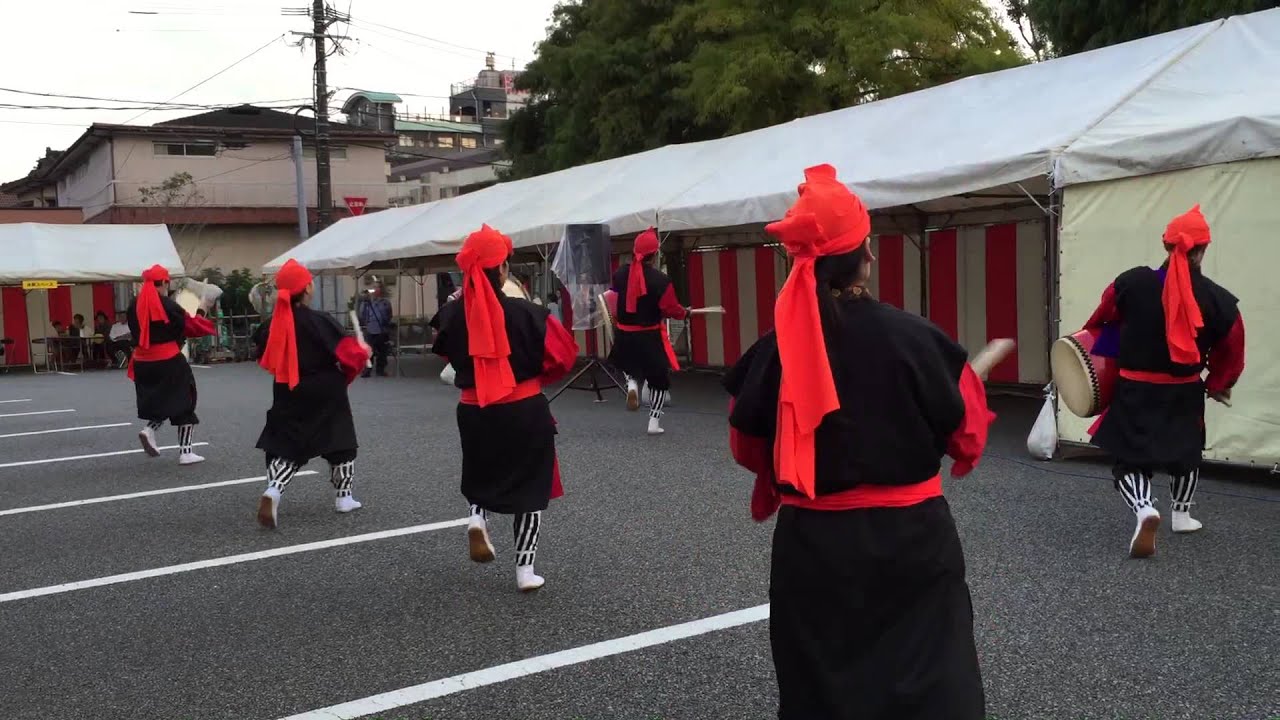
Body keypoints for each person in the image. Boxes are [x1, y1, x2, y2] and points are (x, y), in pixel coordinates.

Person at [723, 164, 997, 720]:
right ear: (866, 255)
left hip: (812, 543)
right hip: (912, 540)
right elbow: (967, 436)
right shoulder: (917, 340)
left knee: (824, 686)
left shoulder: (774, 351)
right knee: (929, 680)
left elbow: (746, 445)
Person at [1082, 205, 1245, 558]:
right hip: (1184, 391)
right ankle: (1182, 514)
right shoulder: (1219, 299)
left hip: (1134, 389)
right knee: (1186, 452)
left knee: (1129, 460)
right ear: (1203, 250)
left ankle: (1145, 509)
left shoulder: (1130, 282)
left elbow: (1101, 319)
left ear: (1167, 246)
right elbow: (1232, 348)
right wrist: (1219, 382)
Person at [432, 224, 578, 592]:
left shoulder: (451, 315)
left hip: (473, 407)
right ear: (502, 269)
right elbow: (563, 357)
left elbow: (448, 355)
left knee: (482, 471)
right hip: (522, 406)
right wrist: (534, 377)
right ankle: (525, 571)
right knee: (530, 487)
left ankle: (476, 518)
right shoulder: (531, 313)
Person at [255, 259, 372, 529]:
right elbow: (347, 354)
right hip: (324, 387)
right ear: (307, 287)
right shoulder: (319, 320)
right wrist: (363, 354)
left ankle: (274, 489)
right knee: (339, 440)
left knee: (287, 442)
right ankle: (344, 497)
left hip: (287, 387)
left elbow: (263, 353)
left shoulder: (272, 324)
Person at [128, 265, 216, 465]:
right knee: (185, 401)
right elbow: (191, 327)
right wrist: (203, 307)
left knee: (162, 400)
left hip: (142, 361)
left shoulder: (133, 305)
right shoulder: (167, 305)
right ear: (165, 282)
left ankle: (150, 430)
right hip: (168, 360)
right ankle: (185, 452)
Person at [608, 228, 690, 435]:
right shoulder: (662, 281)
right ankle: (654, 422)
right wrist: (684, 313)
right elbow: (671, 309)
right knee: (658, 381)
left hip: (625, 333)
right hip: (650, 336)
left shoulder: (619, 274)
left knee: (627, 364)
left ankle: (632, 384)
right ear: (655, 254)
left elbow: (612, 301)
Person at [357, 283, 394, 377]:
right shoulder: (367, 302)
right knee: (369, 351)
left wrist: (385, 323)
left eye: (377, 287)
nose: (375, 290)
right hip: (370, 329)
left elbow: (389, 314)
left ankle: (380, 370)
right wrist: (365, 302)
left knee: (382, 351)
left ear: (381, 290)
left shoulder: (385, 302)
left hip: (381, 329)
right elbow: (362, 315)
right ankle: (367, 370)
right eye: (373, 288)